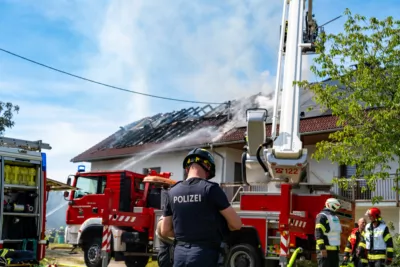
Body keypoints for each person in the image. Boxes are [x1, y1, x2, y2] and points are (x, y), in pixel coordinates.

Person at [161, 148, 242, 267]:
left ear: (187, 168)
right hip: (204, 255)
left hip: (179, 256)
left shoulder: (172, 192)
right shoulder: (211, 189)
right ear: (208, 167)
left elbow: (165, 230)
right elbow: (236, 224)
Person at [315, 198, 342, 267]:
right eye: (336, 206)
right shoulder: (322, 216)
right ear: (330, 205)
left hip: (334, 252)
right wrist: (322, 248)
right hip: (325, 251)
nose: (337, 209)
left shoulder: (335, 217)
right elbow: (318, 233)